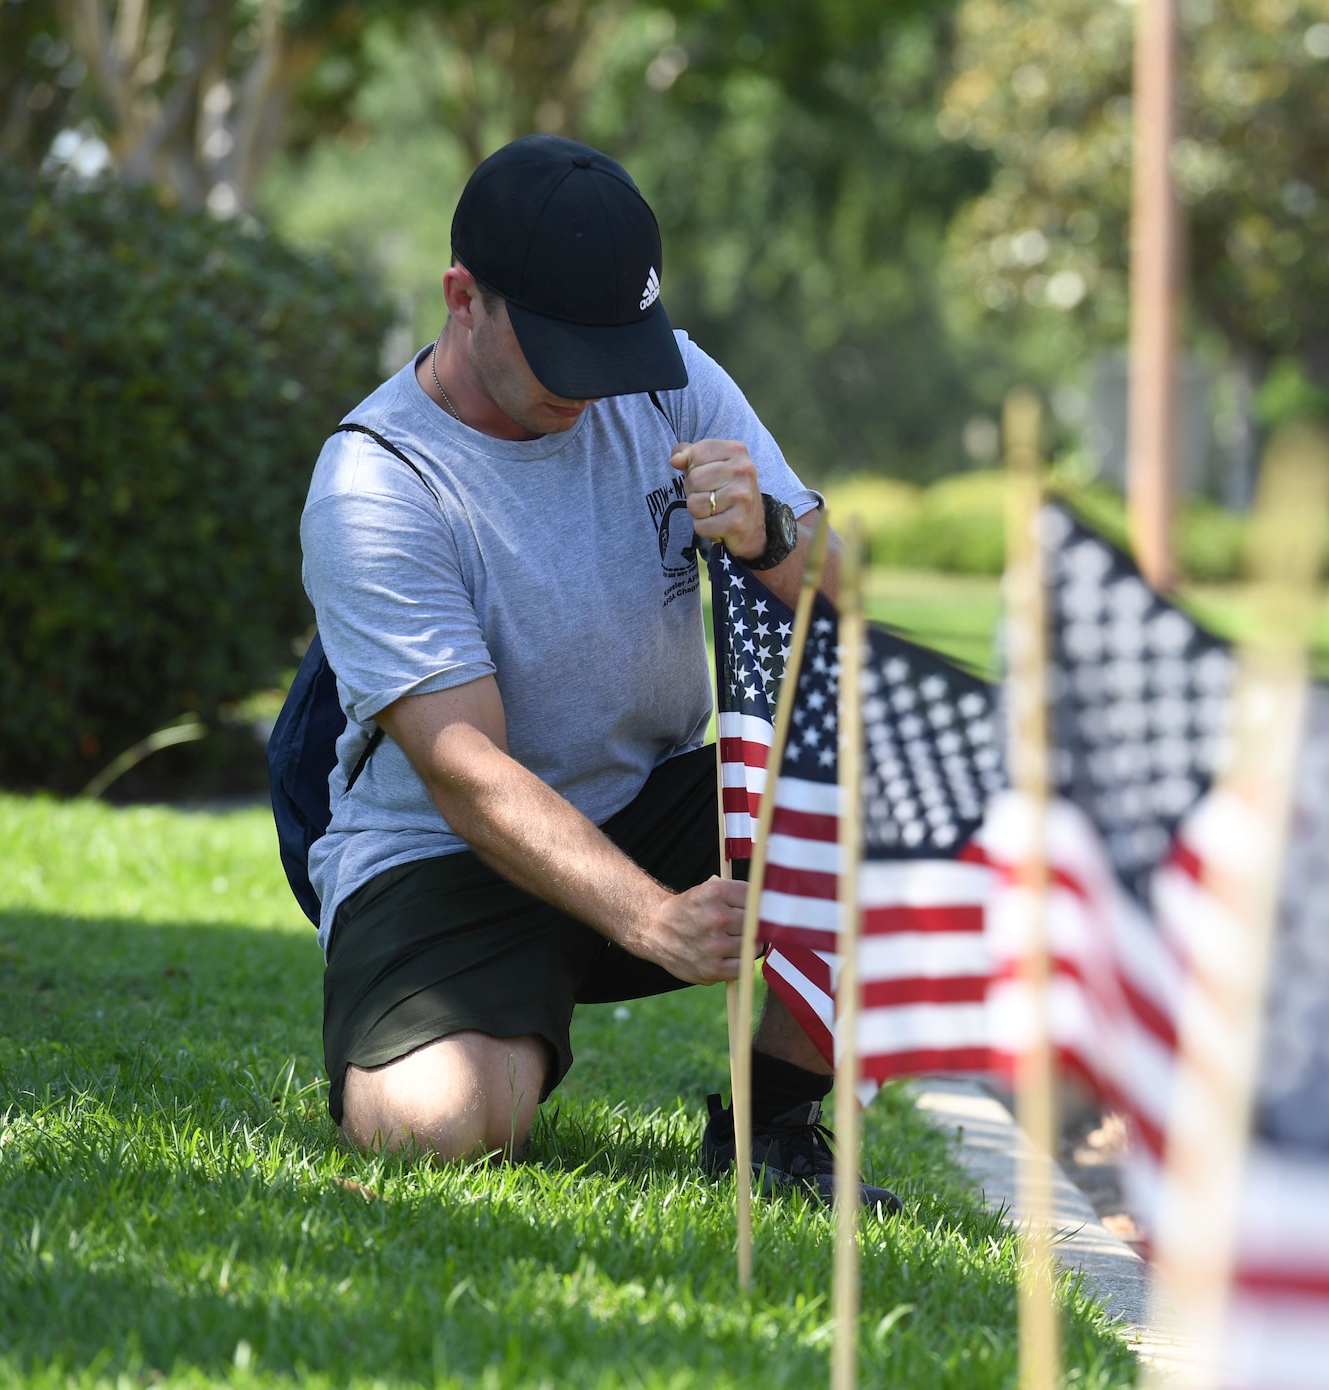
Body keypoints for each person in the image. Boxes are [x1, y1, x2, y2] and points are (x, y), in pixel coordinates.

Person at [300, 134, 895, 1209]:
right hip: (448, 851)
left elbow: (841, 593)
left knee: (900, 788)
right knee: (434, 1128)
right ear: (462, 297)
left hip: (655, 798)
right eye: (559, 348)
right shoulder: (375, 482)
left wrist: (765, 533)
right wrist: (646, 920)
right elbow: (467, 769)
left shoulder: (665, 376)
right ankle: (486, 1019)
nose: (592, 384)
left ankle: (770, 1125)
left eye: (611, 346)